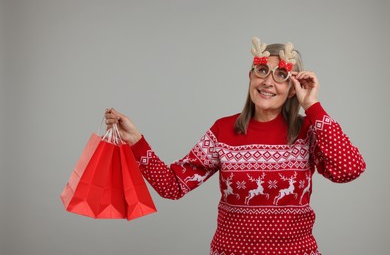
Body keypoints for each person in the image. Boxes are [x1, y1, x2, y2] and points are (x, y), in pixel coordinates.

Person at [105, 37, 366, 255]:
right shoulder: (223, 131)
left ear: (292, 89)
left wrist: (312, 106)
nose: (268, 82)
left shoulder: (308, 130)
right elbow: (173, 186)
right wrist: (136, 141)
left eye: (281, 76)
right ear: (250, 77)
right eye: (262, 71)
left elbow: (349, 169)